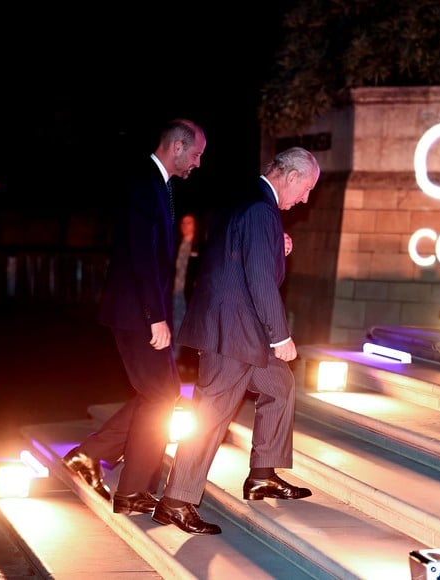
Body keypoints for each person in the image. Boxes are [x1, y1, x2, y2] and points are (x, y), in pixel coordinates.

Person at [151, 146, 320, 535]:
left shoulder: (246, 199)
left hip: (233, 327)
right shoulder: (262, 209)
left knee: (279, 384)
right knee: (211, 416)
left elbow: (235, 255)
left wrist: (277, 244)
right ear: (290, 177)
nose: (306, 198)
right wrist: (281, 336)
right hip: (234, 332)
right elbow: (259, 279)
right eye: (306, 188)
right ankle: (176, 502)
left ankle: (262, 474)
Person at [62, 118, 207, 516]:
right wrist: (155, 317)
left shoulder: (158, 184)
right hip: (135, 313)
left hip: (136, 310)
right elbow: (143, 256)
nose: (197, 163)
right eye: (195, 154)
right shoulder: (145, 182)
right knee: (162, 396)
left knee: (160, 394)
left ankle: (95, 460)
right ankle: (125, 487)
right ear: (176, 147)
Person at [172, 211, 202, 379]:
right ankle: (175, 362)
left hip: (189, 296)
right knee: (175, 326)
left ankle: (189, 364)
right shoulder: (177, 245)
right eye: (183, 223)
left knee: (187, 329)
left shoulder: (199, 247)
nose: (185, 226)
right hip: (175, 293)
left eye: (189, 223)